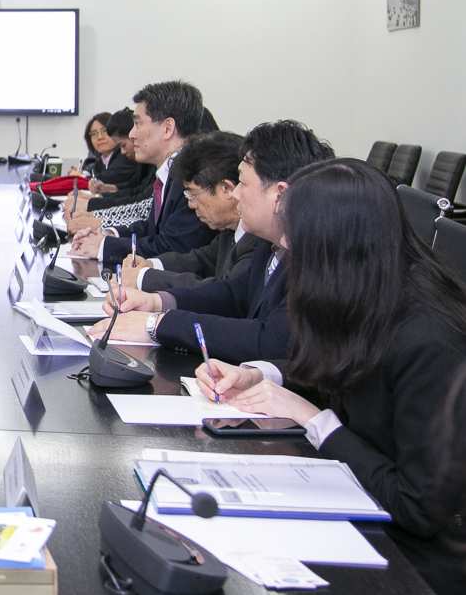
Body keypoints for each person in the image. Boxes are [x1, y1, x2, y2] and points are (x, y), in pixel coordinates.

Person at [195, 158, 466, 594]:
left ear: (335, 245)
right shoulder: (370, 292)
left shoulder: (429, 340)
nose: (285, 244)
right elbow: (342, 374)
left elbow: (417, 508)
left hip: (413, 560)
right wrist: (261, 375)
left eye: (295, 235)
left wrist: (314, 420)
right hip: (357, 502)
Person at [88, 120, 335, 361]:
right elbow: (234, 294)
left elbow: (269, 340)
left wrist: (157, 325)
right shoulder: (270, 243)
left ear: (279, 195)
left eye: (243, 183)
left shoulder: (316, 258)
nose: (236, 194)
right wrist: (156, 302)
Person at [70, 81, 216, 265]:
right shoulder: (171, 172)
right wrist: (108, 235)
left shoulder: (193, 176)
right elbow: (150, 228)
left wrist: (104, 247)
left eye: (138, 123)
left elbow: (173, 247)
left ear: (168, 128)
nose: (132, 134)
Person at [120, 131, 262, 292]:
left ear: (227, 189)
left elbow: (226, 291)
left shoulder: (258, 238)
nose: (191, 204)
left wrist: (144, 278)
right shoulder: (230, 231)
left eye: (193, 194)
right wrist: (150, 265)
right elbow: (202, 260)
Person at [76, 112, 117, 179]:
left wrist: (81, 177)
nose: (100, 137)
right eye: (94, 134)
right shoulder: (101, 161)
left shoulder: (124, 157)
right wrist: (83, 173)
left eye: (104, 130)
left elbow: (109, 179)